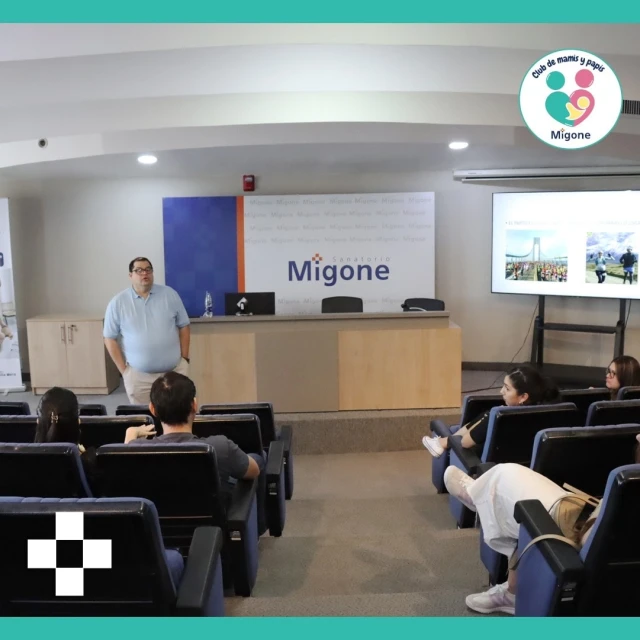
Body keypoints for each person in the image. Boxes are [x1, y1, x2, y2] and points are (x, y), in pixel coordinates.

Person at [445, 434, 640, 615]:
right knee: (508, 480)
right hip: (591, 525)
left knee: (507, 477)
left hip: (574, 547)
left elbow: (592, 546)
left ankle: (513, 592)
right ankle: (482, 498)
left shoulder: (628, 485)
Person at [128, 371, 262, 497]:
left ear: (152, 409)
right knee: (258, 458)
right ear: (194, 405)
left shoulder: (137, 450)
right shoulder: (220, 446)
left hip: (159, 515)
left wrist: (130, 434)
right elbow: (254, 471)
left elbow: (124, 466)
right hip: (213, 514)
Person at [103, 257, 191, 404]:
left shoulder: (170, 295)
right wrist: (124, 371)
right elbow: (109, 338)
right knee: (144, 417)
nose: (144, 273)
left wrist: (185, 359)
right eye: (139, 270)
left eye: (148, 269)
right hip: (139, 378)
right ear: (130, 275)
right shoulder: (118, 303)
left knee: (178, 413)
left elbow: (184, 326)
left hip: (174, 373)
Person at [421, 365, 561, 458]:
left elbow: (464, 443)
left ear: (523, 397)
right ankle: (443, 442)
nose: (501, 391)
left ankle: (443, 442)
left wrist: (488, 417)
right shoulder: (553, 413)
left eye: (507, 388)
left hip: (488, 470)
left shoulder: (499, 417)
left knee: (486, 416)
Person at [33, 386, 154, 487]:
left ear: (38, 422)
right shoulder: (90, 464)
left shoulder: (27, 463)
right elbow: (121, 486)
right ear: (78, 422)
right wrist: (129, 442)